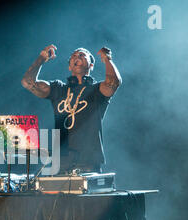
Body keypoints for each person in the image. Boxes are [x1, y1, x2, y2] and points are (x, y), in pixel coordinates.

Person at [21, 44, 122, 174]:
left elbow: (113, 82)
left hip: (88, 163)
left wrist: (107, 59)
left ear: (91, 65)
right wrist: (41, 58)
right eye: (74, 56)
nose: (77, 57)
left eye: (82, 55)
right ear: (69, 66)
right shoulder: (58, 89)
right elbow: (27, 82)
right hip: (61, 162)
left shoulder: (97, 90)